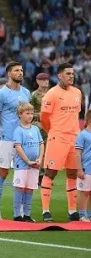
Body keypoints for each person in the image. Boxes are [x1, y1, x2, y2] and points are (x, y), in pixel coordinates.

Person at [40, 63, 82, 222]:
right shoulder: (51, 94)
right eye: (68, 73)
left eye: (73, 73)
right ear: (60, 75)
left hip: (74, 138)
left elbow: (76, 115)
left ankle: (72, 211)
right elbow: (44, 117)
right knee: (51, 172)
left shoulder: (77, 92)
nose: (72, 76)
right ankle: (45, 210)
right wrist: (52, 131)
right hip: (57, 137)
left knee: (72, 172)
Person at [0, 61, 30, 220]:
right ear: (9, 73)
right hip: (6, 139)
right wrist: (5, 128)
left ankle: (19, 212)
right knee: (3, 172)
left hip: (23, 140)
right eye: (16, 70)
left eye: (21, 70)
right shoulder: (0, 94)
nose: (20, 73)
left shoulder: (26, 92)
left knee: (22, 175)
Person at [13, 103, 43, 222]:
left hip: (34, 165)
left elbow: (41, 144)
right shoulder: (18, 130)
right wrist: (27, 161)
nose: (30, 116)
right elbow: (18, 147)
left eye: (32, 113)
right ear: (20, 114)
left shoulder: (35, 129)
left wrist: (40, 158)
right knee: (20, 188)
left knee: (30, 189)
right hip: (22, 165)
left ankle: (27, 214)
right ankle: (17, 215)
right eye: (27, 113)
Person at [30, 73, 50, 185]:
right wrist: (40, 116)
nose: (46, 81)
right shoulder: (34, 95)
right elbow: (30, 111)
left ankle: (46, 174)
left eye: (47, 79)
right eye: (43, 80)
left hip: (50, 126)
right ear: (38, 81)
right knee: (39, 151)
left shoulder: (51, 94)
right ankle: (38, 174)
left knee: (48, 151)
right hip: (38, 126)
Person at [74, 109, 91, 222]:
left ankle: (89, 214)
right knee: (85, 192)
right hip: (86, 168)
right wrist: (79, 169)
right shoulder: (83, 135)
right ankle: (82, 214)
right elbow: (78, 153)